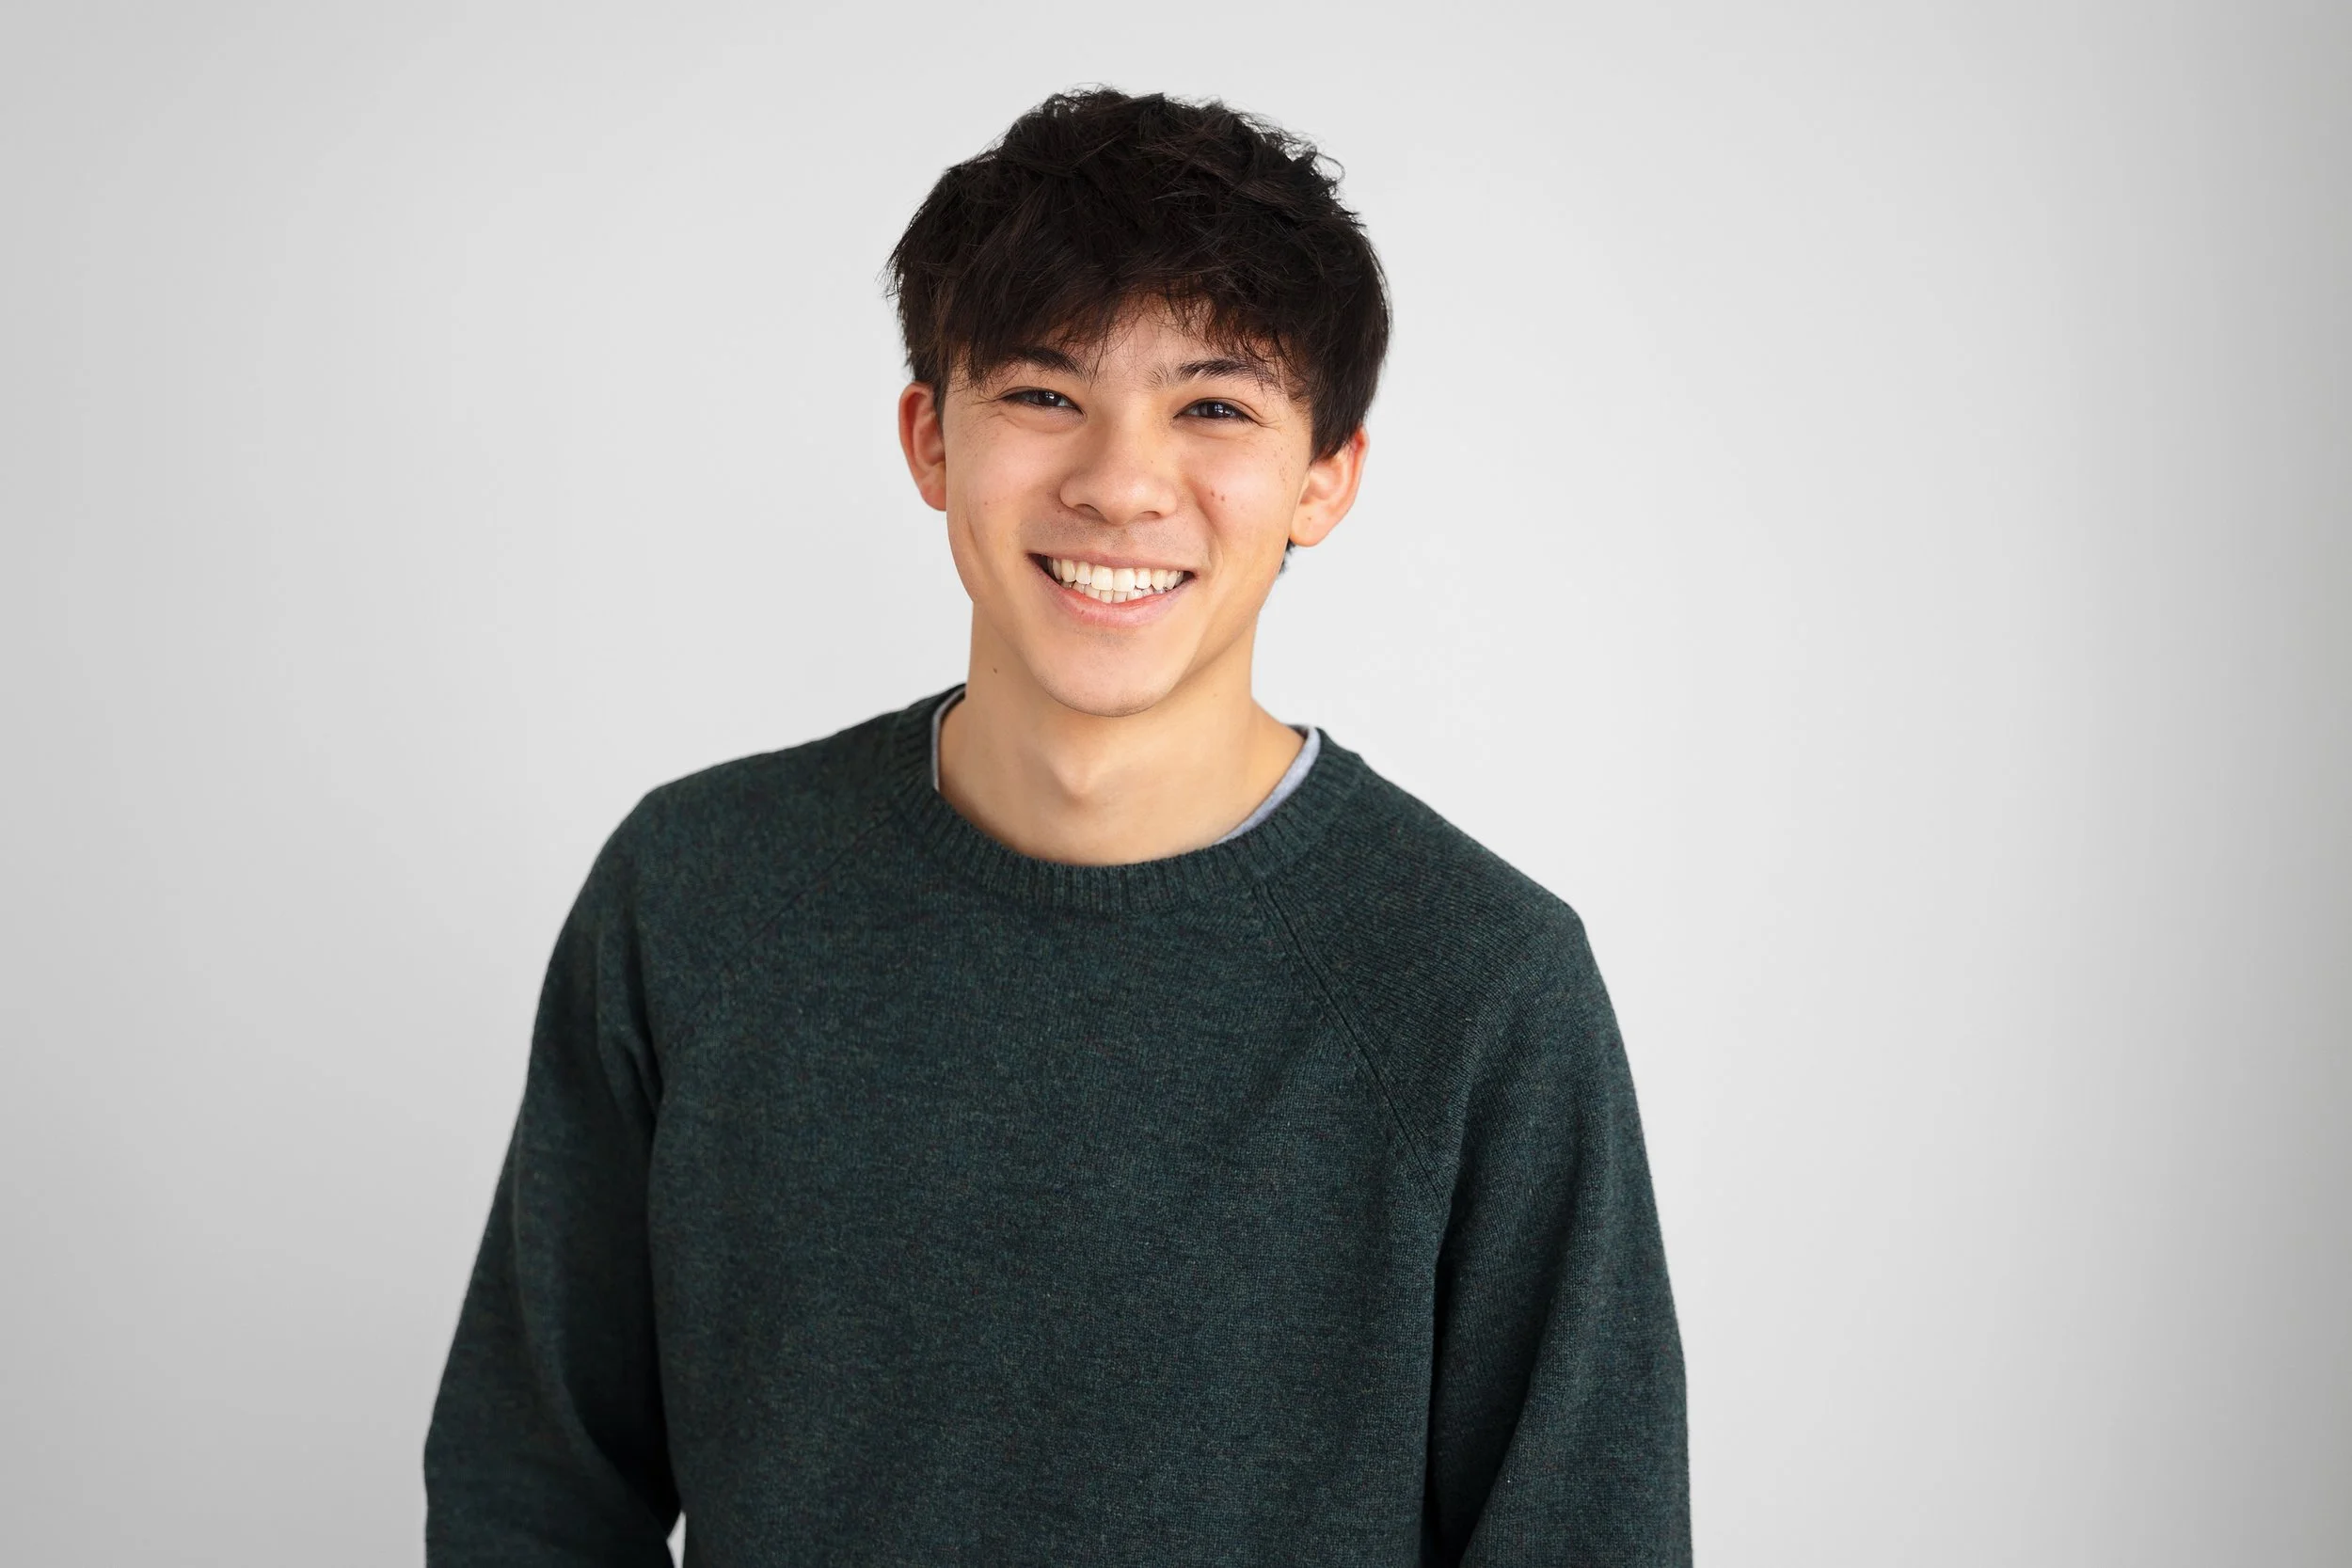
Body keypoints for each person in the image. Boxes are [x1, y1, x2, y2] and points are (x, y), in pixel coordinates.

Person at [424, 87, 1690, 1565]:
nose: (1119, 485)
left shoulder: (1480, 985)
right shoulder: (697, 894)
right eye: (1043, 394)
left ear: (1326, 478)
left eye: (1214, 407)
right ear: (930, 440)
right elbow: (534, 1494)